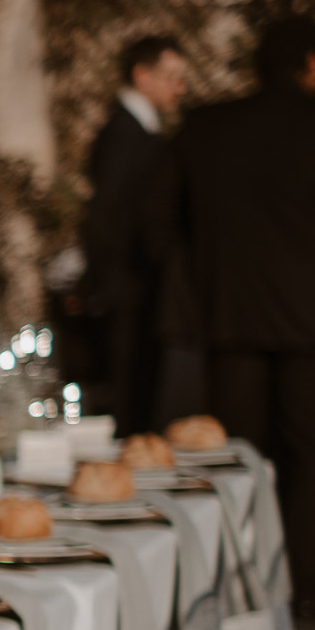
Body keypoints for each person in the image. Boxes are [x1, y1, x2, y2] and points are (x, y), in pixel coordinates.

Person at [159, 15, 315, 614]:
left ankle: (235, 580)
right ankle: (312, 583)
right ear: (312, 64)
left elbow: (164, 224)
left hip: (230, 322)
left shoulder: (205, 128)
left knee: (239, 457)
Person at [81, 36, 187, 433]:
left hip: (130, 285)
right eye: (171, 77)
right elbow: (109, 212)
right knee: (128, 396)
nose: (179, 88)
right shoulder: (124, 133)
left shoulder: (138, 130)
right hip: (127, 285)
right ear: (141, 75)